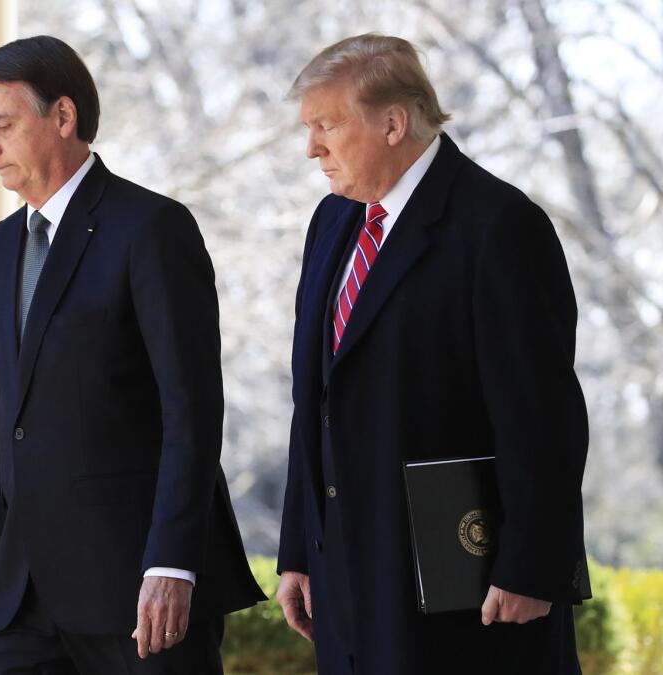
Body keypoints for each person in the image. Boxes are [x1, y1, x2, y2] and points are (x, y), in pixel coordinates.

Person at [274, 34, 591, 674]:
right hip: (347, 579)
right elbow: (316, 399)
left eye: (327, 125)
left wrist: (531, 566)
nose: (312, 147)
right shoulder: (332, 221)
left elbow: (543, 416)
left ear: (392, 123)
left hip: (463, 585)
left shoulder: (499, 225)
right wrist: (299, 550)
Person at [0, 35, 265, 675]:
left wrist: (172, 562)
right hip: (24, 596)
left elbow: (193, 411)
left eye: (1, 125)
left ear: (63, 117)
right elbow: (4, 421)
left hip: (137, 590)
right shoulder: (0, 247)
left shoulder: (151, 229)